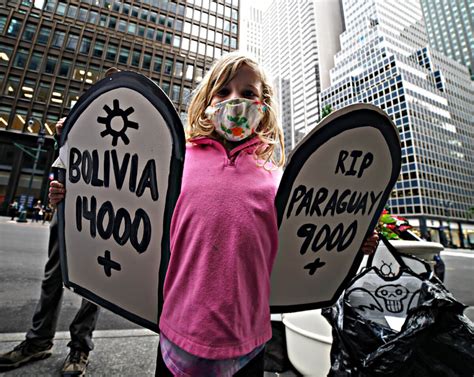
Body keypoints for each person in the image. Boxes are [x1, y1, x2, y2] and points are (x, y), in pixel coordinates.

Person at [48, 54, 379, 376]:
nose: (235, 101)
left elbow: (303, 241)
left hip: (247, 343)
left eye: (248, 93)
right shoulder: (173, 162)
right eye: (223, 91)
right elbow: (124, 197)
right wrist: (70, 194)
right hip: (177, 331)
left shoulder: (278, 179)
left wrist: (353, 243)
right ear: (207, 101)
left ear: (264, 109)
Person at [0, 67, 122, 376]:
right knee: (53, 275)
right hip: (70, 210)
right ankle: (38, 341)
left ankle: (79, 348)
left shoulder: (127, 125)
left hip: (105, 214)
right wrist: (58, 184)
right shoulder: (78, 119)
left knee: (94, 283)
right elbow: (64, 165)